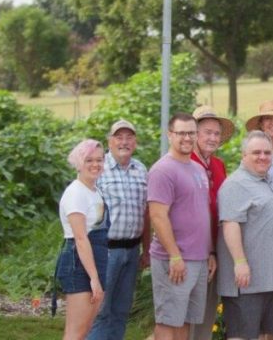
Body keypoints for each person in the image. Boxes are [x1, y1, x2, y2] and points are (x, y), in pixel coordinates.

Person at [217, 131, 273, 340]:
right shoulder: (236, 184)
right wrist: (240, 262)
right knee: (241, 335)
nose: (263, 156)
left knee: (264, 334)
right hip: (247, 282)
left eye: (267, 152)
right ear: (244, 155)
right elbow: (230, 224)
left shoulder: (267, 181)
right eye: (256, 152)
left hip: (268, 279)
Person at [148, 113, 214, 340]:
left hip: (198, 258)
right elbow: (157, 216)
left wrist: (209, 252)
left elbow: (199, 213)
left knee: (185, 321)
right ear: (169, 135)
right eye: (181, 133)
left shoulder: (196, 169)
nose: (187, 138)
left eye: (191, 133)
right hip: (174, 260)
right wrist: (175, 256)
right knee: (168, 321)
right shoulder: (162, 170)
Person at [88, 120, 149, 340]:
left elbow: (146, 212)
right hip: (106, 250)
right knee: (101, 310)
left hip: (132, 251)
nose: (124, 142)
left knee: (122, 310)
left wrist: (147, 249)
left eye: (129, 137)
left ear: (135, 141)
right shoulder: (98, 168)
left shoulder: (141, 169)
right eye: (119, 137)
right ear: (109, 141)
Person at [189, 106, 235, 340]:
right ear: (195, 133)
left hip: (215, 245)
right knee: (189, 314)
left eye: (216, 134)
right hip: (193, 248)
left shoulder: (218, 165)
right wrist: (207, 250)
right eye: (207, 132)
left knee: (207, 310)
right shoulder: (186, 164)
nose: (212, 138)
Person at [56, 139, 109, 340]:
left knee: (85, 331)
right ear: (79, 162)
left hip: (95, 261)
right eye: (89, 160)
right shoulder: (76, 193)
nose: (95, 165)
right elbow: (80, 238)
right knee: (75, 334)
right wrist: (94, 279)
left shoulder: (95, 191)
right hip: (78, 265)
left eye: (99, 160)